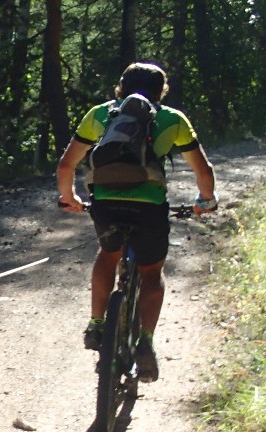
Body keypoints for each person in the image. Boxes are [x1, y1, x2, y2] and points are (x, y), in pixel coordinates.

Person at [57, 61, 217, 382]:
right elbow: (203, 171)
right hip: (149, 207)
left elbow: (66, 167)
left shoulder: (100, 114)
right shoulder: (173, 119)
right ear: (162, 91)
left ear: (120, 86)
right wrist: (206, 202)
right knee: (151, 272)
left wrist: (70, 198)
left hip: (106, 203)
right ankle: (145, 342)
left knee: (108, 254)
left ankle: (97, 324)